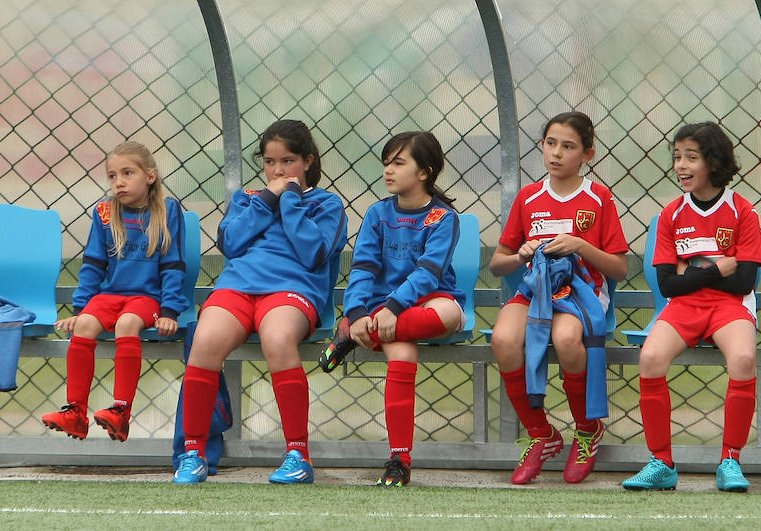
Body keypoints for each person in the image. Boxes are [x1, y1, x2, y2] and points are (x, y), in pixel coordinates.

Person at [172, 119, 347, 484]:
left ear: (308, 162)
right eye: (270, 162)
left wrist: (291, 200)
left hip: (290, 290)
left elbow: (313, 252)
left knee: (278, 339)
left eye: (288, 161)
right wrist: (268, 199)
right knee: (203, 340)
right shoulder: (248, 199)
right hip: (237, 288)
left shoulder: (326, 204)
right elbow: (231, 243)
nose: (278, 170)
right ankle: (193, 453)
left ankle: (298, 454)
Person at [621, 121, 761, 493]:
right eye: (677, 157)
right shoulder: (671, 214)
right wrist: (718, 266)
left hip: (730, 306)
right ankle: (661, 463)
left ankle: (730, 460)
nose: (681, 166)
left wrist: (694, 270)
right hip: (683, 306)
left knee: (744, 359)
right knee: (650, 358)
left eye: (691, 158)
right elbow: (668, 284)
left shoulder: (743, 212)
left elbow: (744, 282)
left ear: (714, 163)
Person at [489, 111, 629, 485]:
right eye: (551, 143)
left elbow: (619, 269)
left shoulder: (598, 198)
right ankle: (541, 435)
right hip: (536, 292)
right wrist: (520, 255)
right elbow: (497, 264)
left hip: (581, 293)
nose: (556, 153)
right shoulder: (529, 197)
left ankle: (587, 430)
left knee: (567, 339)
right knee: (502, 339)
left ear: (588, 154)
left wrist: (581, 245)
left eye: (568, 146)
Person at [319, 131, 465, 487]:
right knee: (401, 355)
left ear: (425, 172)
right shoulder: (378, 214)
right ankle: (399, 460)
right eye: (386, 163)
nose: (388, 171)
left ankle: (353, 336)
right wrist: (355, 312)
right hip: (381, 309)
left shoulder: (443, 218)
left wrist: (392, 310)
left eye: (399, 163)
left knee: (451, 316)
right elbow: (363, 267)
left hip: (424, 299)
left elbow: (430, 272)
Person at [41, 141, 189, 442]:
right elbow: (93, 266)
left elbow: (174, 264)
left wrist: (170, 311)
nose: (118, 182)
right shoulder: (105, 213)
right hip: (109, 297)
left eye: (127, 173)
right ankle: (75, 413)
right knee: (83, 325)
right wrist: (81, 309)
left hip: (147, 298)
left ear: (150, 176)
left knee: (127, 323)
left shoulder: (168, 210)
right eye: (112, 176)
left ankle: (121, 412)